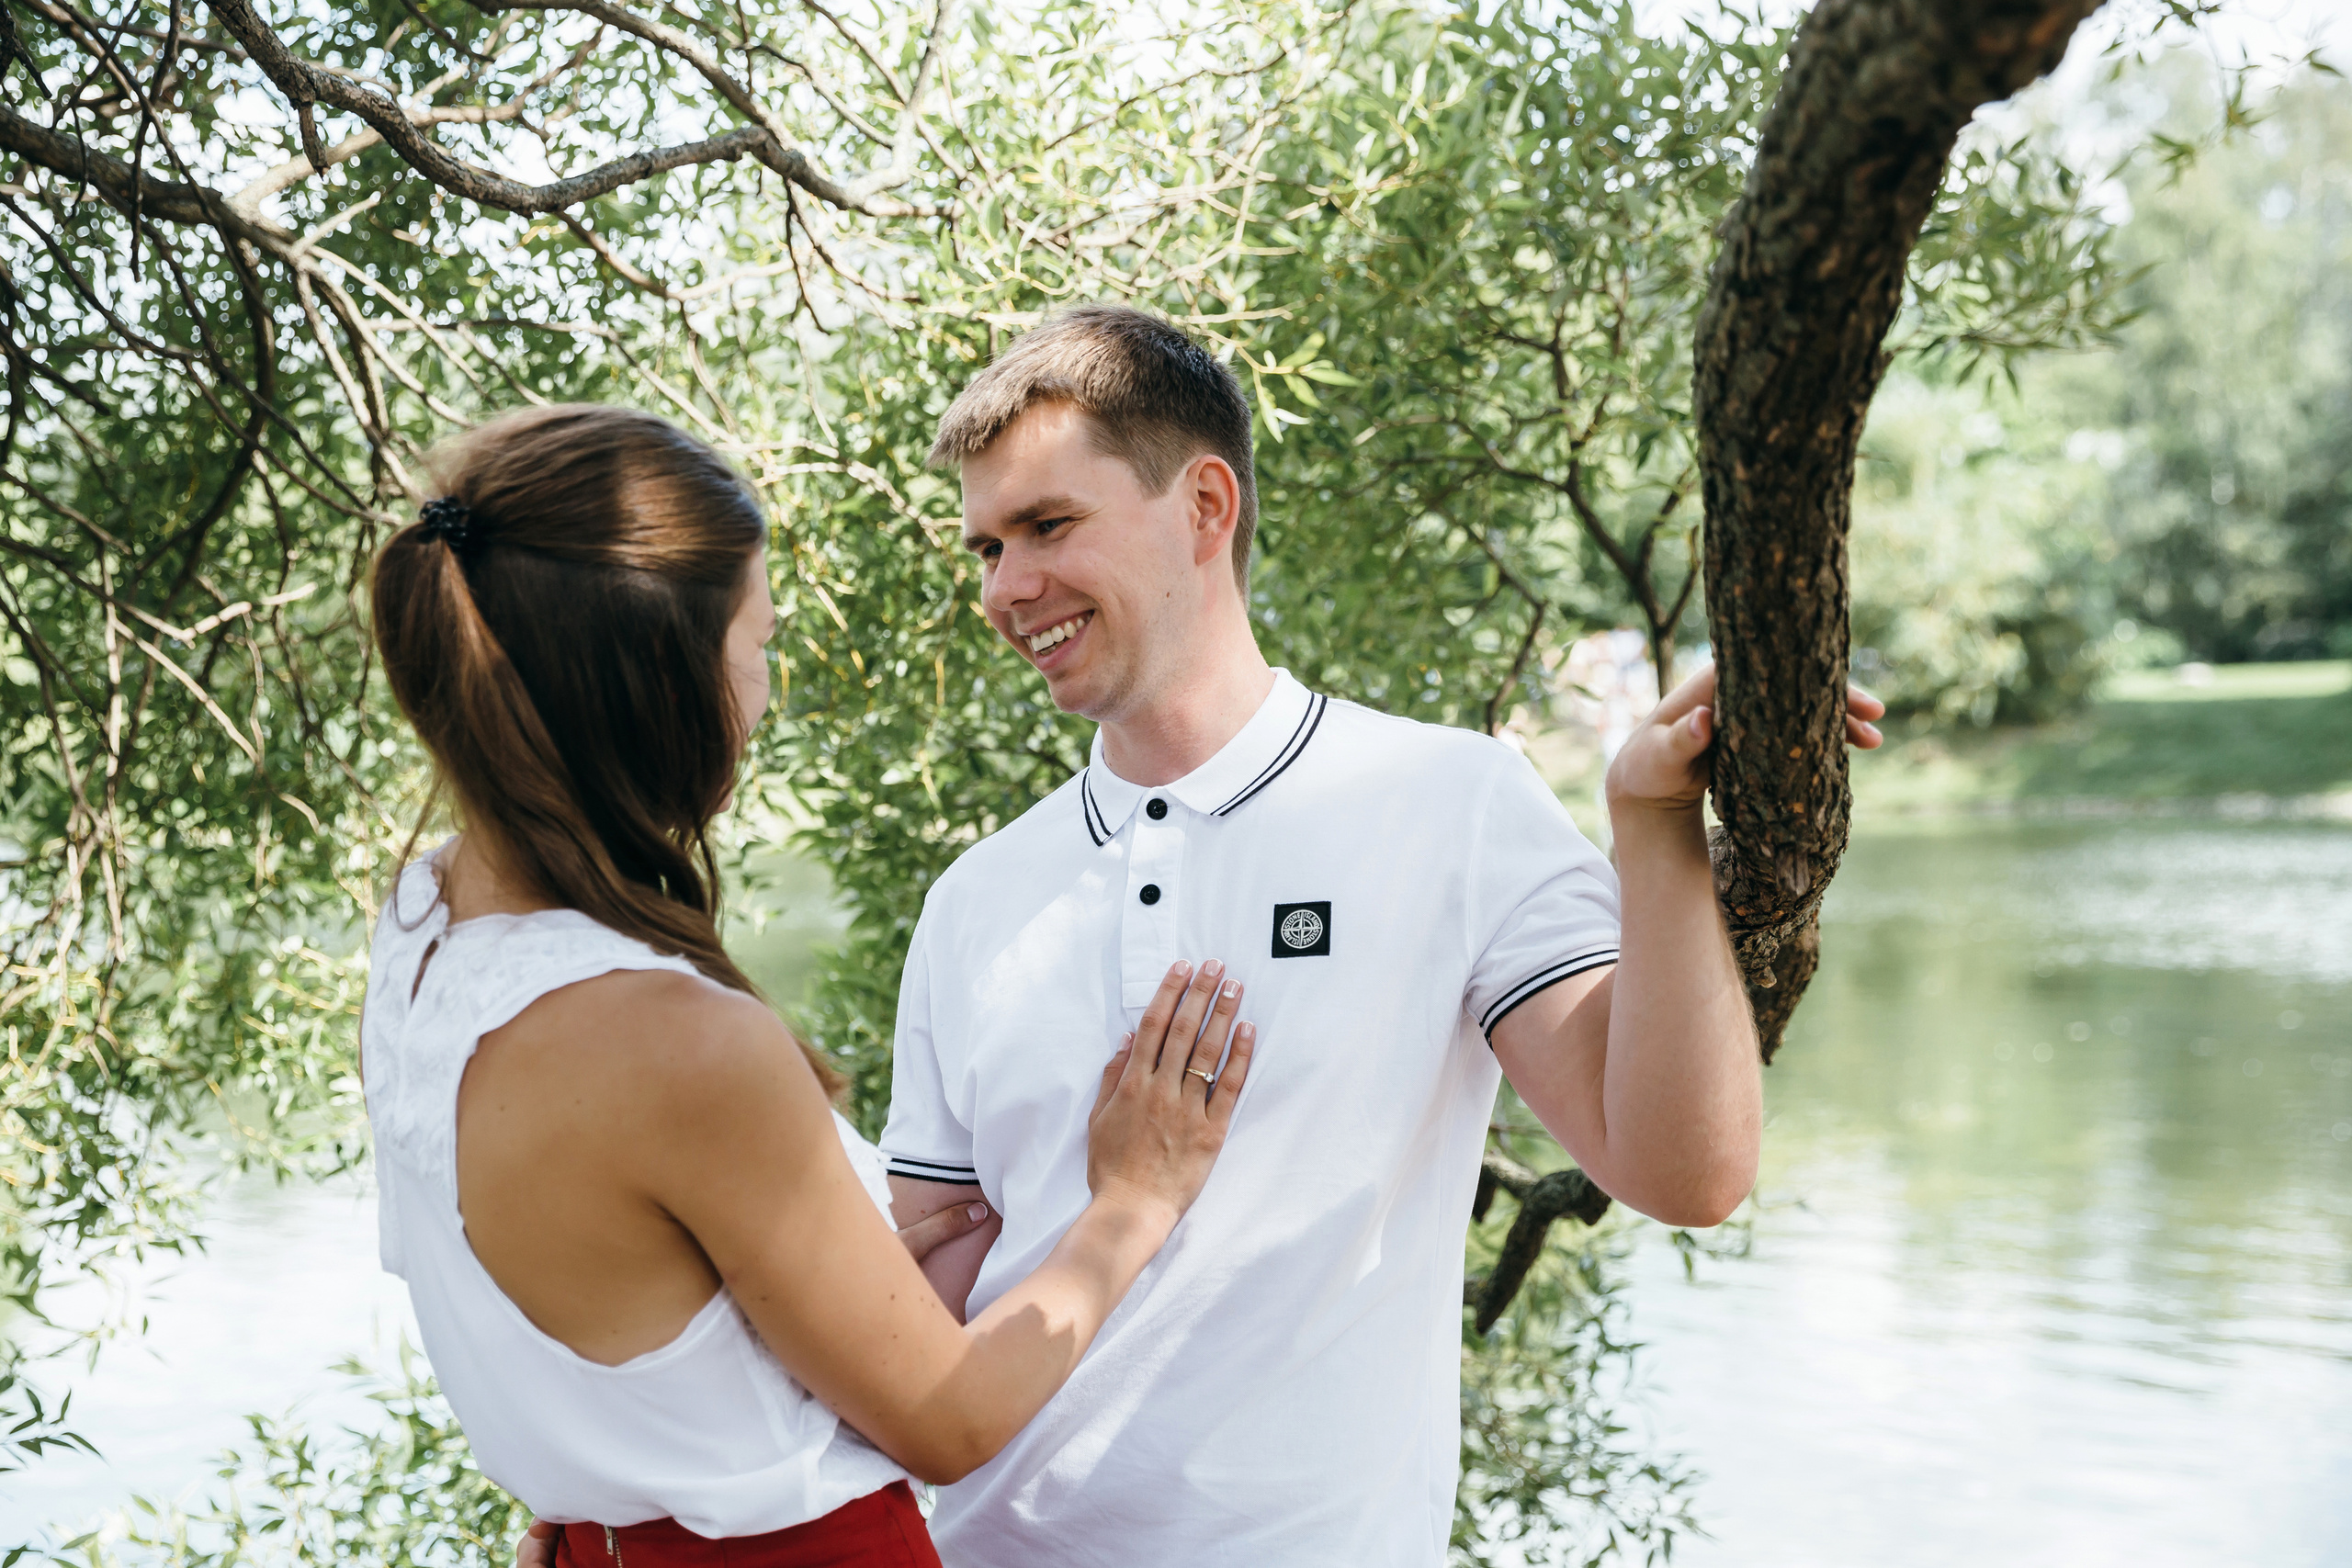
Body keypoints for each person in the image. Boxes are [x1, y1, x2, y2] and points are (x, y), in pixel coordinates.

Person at [878, 305, 1888, 1565]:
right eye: (984, 545)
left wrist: (1654, 827)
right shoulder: (976, 896)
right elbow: (911, 1321)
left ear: (1205, 505)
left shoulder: (1452, 804)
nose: (1005, 587)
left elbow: (1686, 1172)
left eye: (1046, 525)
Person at [361, 404, 1261, 1568]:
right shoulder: (672, 1040)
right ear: (663, 684)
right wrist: (1132, 1199)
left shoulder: (424, 925)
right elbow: (949, 1421)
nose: (764, 691)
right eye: (758, 642)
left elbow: (600, 1285)